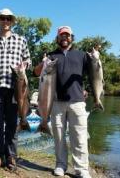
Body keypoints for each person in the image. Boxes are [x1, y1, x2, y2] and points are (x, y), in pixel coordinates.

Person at [34, 26, 91, 178]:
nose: (64, 38)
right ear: (57, 38)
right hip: (56, 103)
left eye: (67, 35)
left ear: (72, 37)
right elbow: (36, 73)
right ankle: (60, 165)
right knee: (59, 137)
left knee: (79, 137)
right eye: (61, 35)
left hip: (77, 102)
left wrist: (89, 90)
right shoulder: (51, 56)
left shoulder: (82, 55)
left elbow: (93, 74)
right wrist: (43, 62)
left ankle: (82, 169)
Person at [0, 8, 31, 171]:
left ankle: (11, 156)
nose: (5, 21)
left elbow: (28, 60)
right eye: (2, 18)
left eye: (8, 19)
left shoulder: (21, 40)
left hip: (15, 89)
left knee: (11, 124)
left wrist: (24, 65)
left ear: (11, 21)